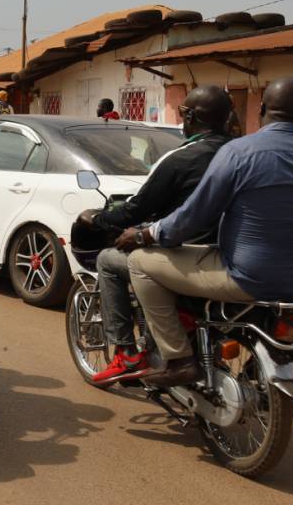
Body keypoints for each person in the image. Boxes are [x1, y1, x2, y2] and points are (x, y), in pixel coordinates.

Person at [117, 77, 293, 387]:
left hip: (247, 276)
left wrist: (146, 236)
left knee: (140, 263)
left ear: (261, 108)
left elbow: (195, 215)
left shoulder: (240, 152)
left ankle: (179, 358)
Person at [80, 86, 233, 386]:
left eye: (182, 113)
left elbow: (135, 210)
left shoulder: (179, 158)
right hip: (233, 255)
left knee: (109, 260)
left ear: (190, 117)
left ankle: (126, 353)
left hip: (188, 255)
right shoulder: (240, 153)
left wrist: (98, 218)